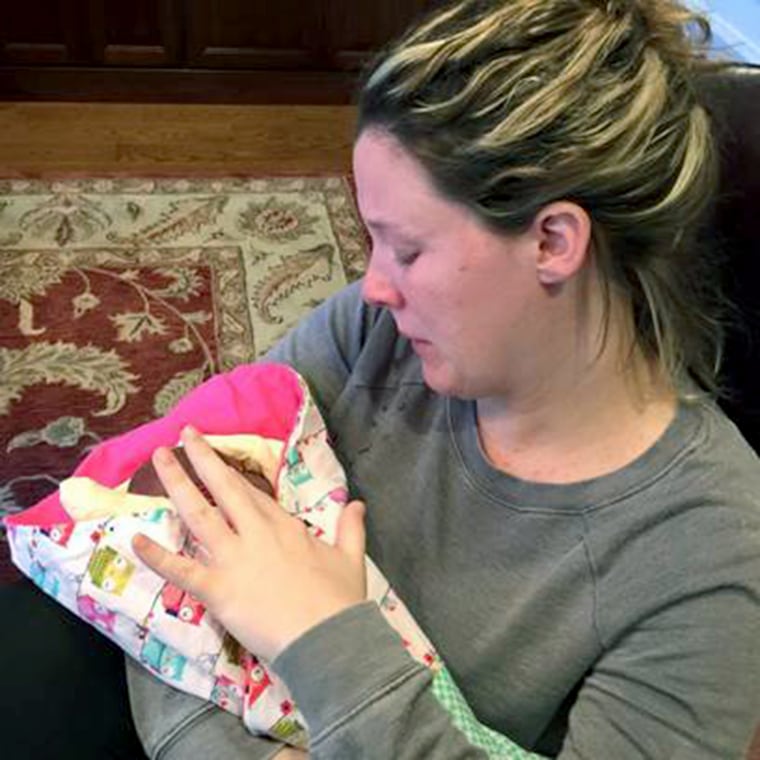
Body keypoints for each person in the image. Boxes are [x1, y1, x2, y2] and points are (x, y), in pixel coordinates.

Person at [2, 0, 759, 758]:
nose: (373, 286)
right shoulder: (382, 337)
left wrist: (316, 634)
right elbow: (162, 537)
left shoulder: (708, 552)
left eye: (407, 248)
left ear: (553, 242)